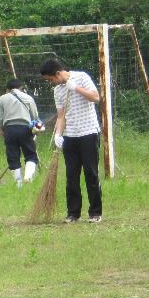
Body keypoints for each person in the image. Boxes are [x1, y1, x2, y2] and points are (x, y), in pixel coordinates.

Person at [40, 59, 102, 223]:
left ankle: (95, 213)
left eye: (51, 79)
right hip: (70, 136)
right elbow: (61, 116)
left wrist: (75, 88)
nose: (51, 83)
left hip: (88, 132)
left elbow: (96, 98)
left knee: (91, 173)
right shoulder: (57, 91)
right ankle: (73, 213)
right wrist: (58, 135)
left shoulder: (82, 77)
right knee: (72, 176)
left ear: (58, 73)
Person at [0, 78, 41, 187]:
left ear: (7, 89)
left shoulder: (2, 98)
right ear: (21, 88)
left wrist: (1, 128)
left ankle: (18, 184)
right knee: (30, 155)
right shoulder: (28, 98)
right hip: (25, 129)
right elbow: (35, 117)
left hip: (9, 130)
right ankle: (28, 177)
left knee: (13, 156)